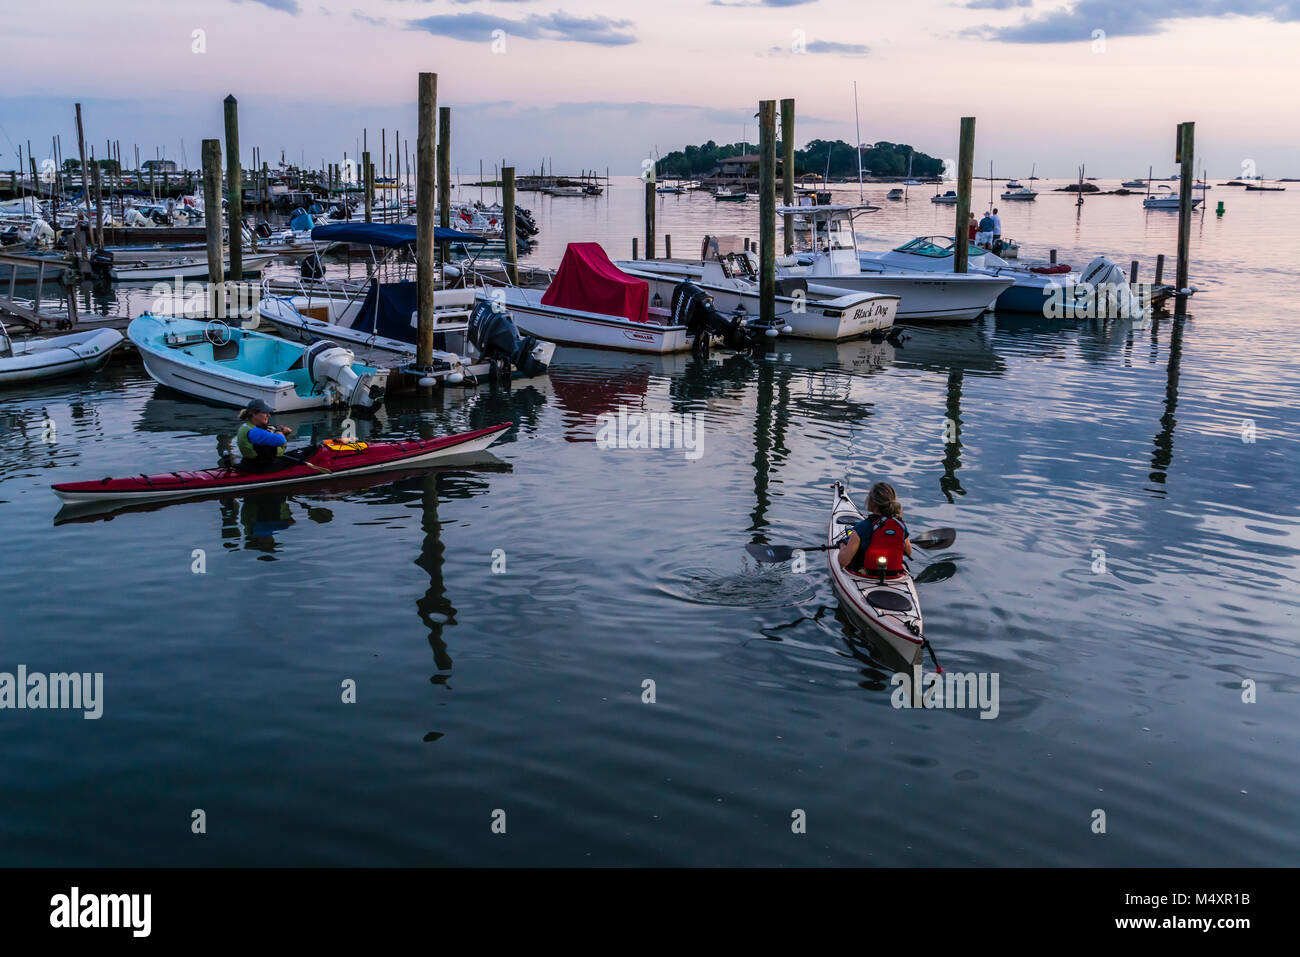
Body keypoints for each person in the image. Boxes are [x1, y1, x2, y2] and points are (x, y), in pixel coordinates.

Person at [837, 482, 912, 578]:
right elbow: (908, 552)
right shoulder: (900, 525)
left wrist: (842, 546)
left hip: (864, 574)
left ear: (871, 502)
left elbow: (843, 561)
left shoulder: (862, 527)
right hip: (894, 575)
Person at [235, 399, 294, 470]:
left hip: (250, 463)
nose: (269, 415)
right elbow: (280, 440)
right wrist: (282, 433)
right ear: (254, 414)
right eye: (265, 412)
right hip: (261, 466)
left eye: (268, 412)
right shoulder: (254, 432)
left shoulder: (246, 426)